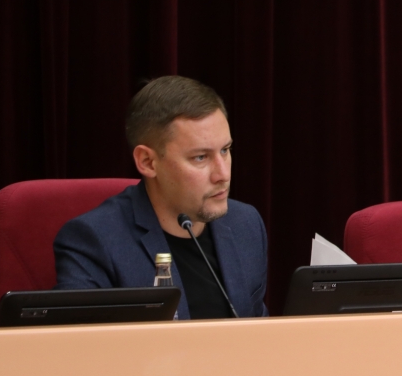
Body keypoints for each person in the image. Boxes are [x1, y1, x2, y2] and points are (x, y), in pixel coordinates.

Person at [54, 76, 268, 319]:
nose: (223, 174)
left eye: (225, 150)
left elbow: (258, 330)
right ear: (148, 162)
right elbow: (79, 339)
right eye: (200, 157)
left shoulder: (245, 225)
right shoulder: (95, 240)